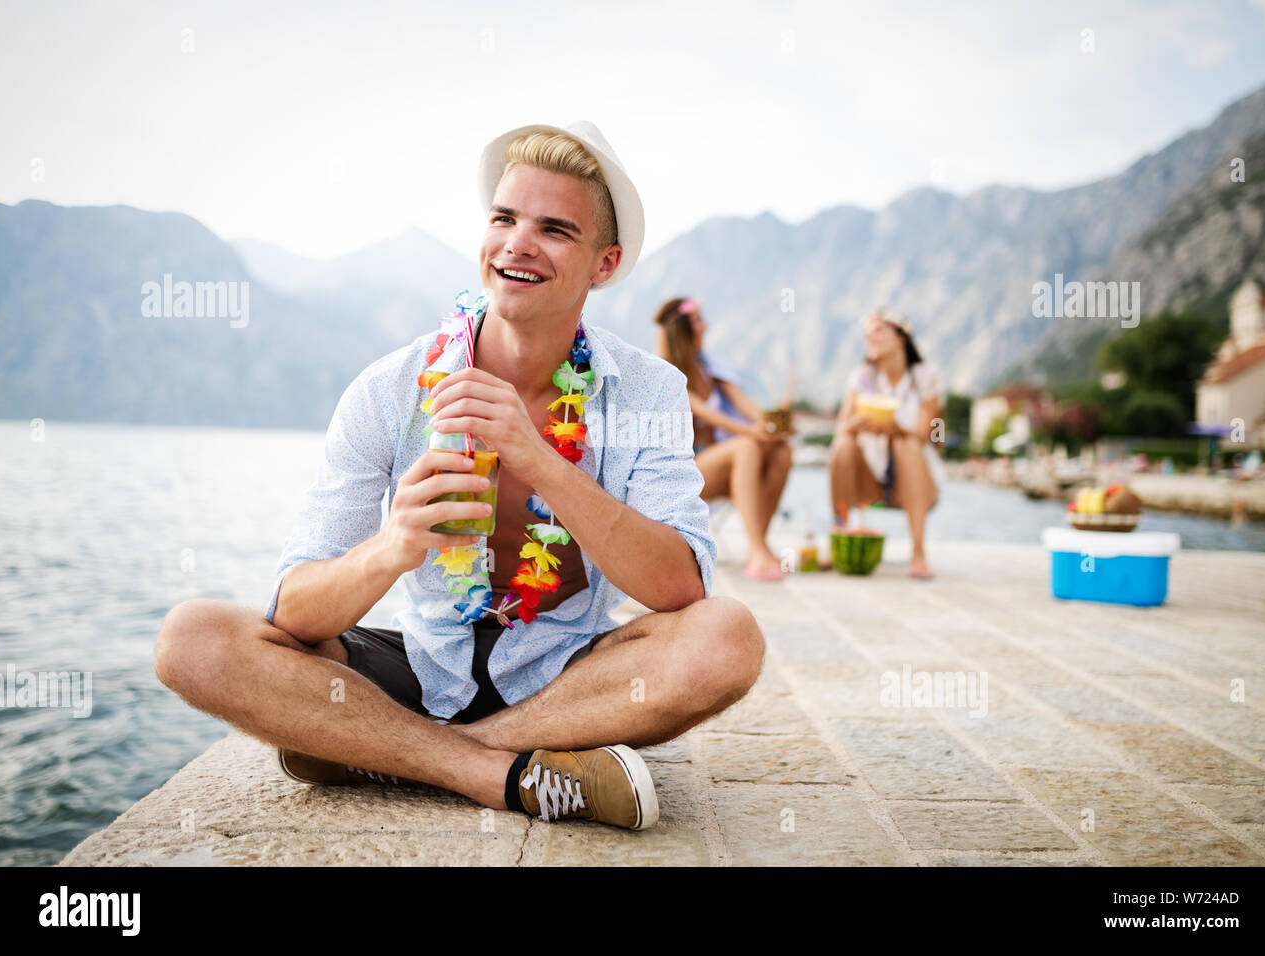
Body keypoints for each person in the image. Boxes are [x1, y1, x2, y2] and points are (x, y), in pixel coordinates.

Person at [153, 121, 765, 832]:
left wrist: (539, 458)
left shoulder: (647, 391)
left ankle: (389, 753)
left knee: (726, 637)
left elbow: (680, 588)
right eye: (503, 217)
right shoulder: (390, 388)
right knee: (192, 638)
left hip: (571, 677)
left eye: (555, 229)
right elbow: (294, 614)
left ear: (604, 264)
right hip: (420, 662)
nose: (517, 243)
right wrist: (393, 546)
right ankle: (495, 772)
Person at [654, 297, 793, 581]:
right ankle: (756, 553)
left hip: (719, 461)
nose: (706, 327)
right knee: (746, 446)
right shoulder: (664, 372)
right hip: (683, 471)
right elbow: (704, 411)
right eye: (699, 322)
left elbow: (745, 406)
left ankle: (761, 544)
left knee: (781, 450)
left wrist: (771, 424)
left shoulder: (711, 368)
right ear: (685, 331)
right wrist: (750, 432)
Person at [829, 309, 945, 579]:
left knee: (908, 444)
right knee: (843, 444)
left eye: (879, 329)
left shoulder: (924, 377)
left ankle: (918, 552)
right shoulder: (862, 377)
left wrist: (897, 430)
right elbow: (841, 427)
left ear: (901, 337)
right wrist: (855, 426)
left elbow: (928, 433)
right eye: (867, 333)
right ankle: (840, 537)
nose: (870, 336)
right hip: (869, 479)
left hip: (915, 481)